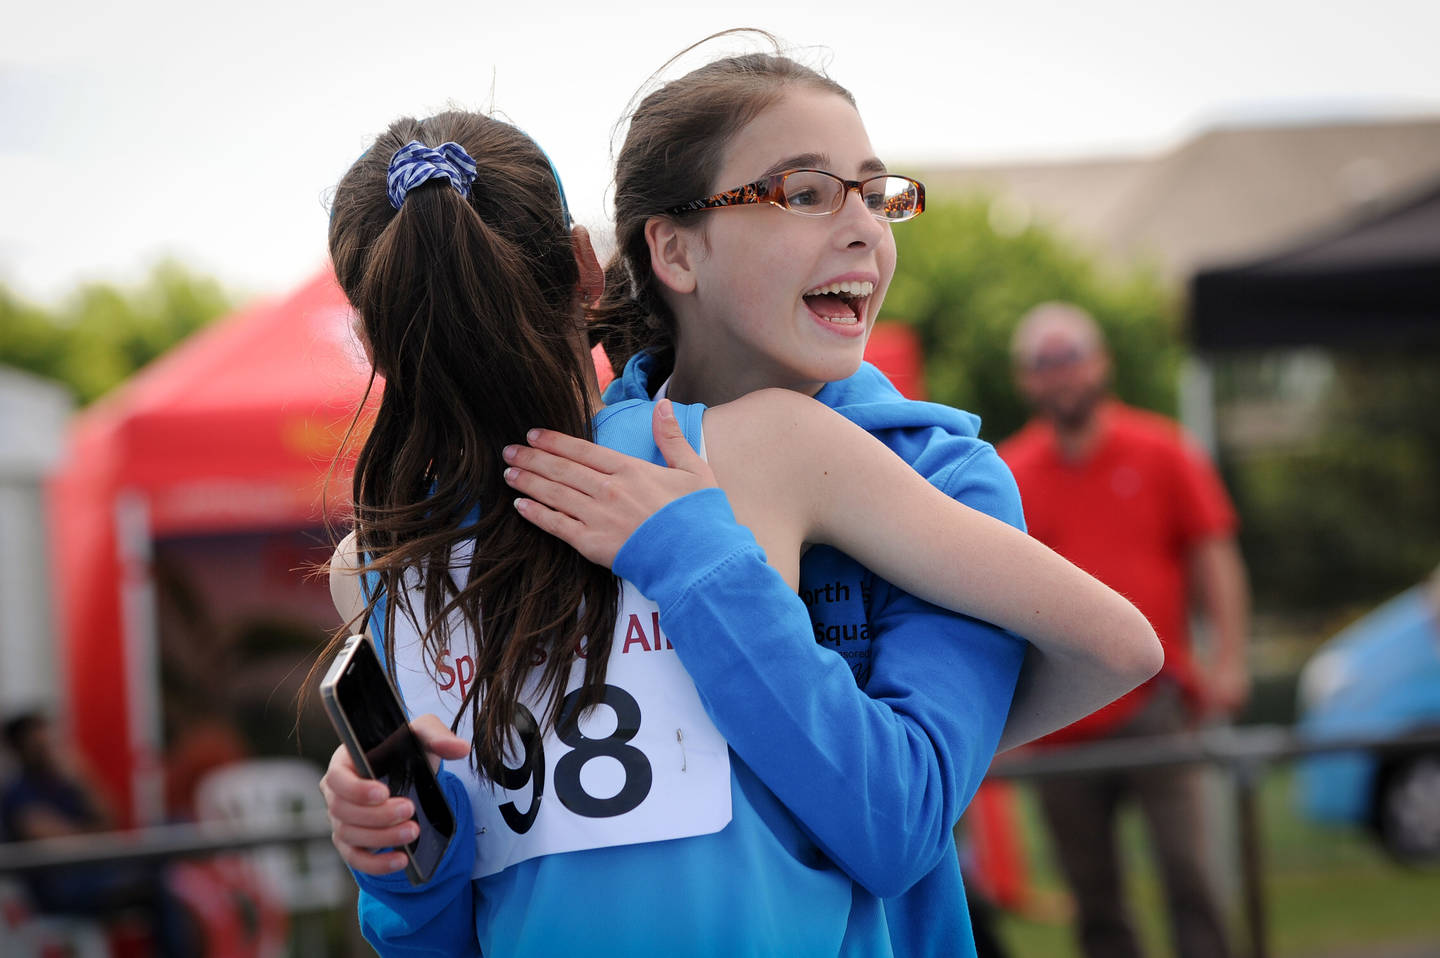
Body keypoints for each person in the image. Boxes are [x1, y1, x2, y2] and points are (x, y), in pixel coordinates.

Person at [317, 105, 1159, 957]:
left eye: (863, 192)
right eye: (804, 192)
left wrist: (399, 889)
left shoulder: (382, 563)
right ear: (586, 266)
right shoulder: (762, 442)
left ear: (365, 333)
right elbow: (1119, 649)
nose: (859, 228)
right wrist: (400, 852)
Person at [998, 302, 1252, 958]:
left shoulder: (1163, 449)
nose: (1062, 376)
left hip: (1154, 700)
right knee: (1095, 898)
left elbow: (1214, 557)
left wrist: (1228, 660)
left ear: (1101, 362)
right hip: (1058, 719)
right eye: (1044, 364)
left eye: (1071, 357)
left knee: (1188, 874)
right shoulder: (1008, 471)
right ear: (1025, 380)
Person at [1, 711, 191, 956]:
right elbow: (60, 841)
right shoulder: (17, 793)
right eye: (41, 742)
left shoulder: (63, 783)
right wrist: (90, 834)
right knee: (154, 888)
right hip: (61, 891)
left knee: (171, 840)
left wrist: (82, 777)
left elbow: (110, 819)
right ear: (22, 747)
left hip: (93, 876)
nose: (49, 746)